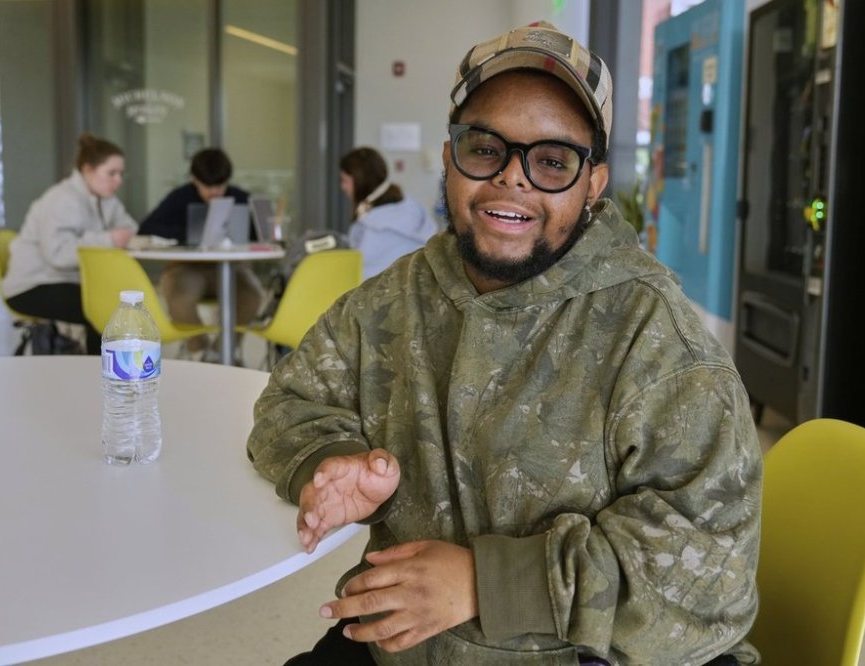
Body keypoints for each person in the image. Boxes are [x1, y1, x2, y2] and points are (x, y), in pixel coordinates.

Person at [248, 21, 761, 666]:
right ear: (449, 157)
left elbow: (711, 577)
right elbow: (290, 401)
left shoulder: (656, 341)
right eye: (486, 148)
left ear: (593, 184)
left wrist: (484, 584)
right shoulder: (394, 299)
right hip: (405, 648)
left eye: (552, 160)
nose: (513, 179)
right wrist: (332, 459)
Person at [2, 132, 136, 355]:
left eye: (121, 173)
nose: (118, 181)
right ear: (87, 170)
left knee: (112, 300)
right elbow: (59, 256)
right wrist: (108, 239)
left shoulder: (105, 199)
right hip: (32, 286)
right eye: (111, 173)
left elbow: (129, 228)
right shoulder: (62, 200)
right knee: (104, 307)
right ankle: (103, 374)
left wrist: (116, 235)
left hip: (64, 282)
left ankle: (106, 370)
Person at [138, 147, 265, 361]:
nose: (214, 192)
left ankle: (219, 353)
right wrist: (189, 233)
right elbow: (147, 228)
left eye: (220, 186)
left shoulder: (241, 198)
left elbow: (259, 236)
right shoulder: (179, 198)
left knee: (252, 296)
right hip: (186, 267)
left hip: (230, 268)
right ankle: (199, 351)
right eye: (207, 187)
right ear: (194, 180)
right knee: (178, 297)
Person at [339, 147, 439, 280]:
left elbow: (362, 282)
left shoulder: (373, 228)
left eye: (345, 180)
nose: (343, 187)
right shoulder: (411, 207)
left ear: (359, 181)